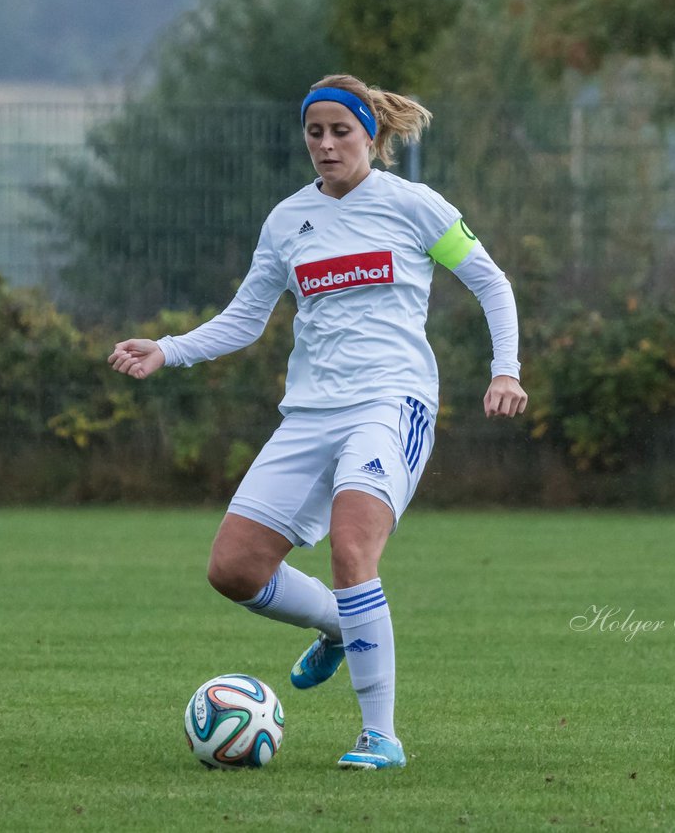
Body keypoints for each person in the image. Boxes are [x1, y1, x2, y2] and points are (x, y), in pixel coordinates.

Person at [109, 73, 527, 770]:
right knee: (233, 569)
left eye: (341, 131)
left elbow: (490, 281)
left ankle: (380, 736)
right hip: (308, 414)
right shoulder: (287, 221)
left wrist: (504, 369)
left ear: (371, 134)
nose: (327, 144)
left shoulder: (412, 206)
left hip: (391, 403)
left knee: (351, 549)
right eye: (315, 132)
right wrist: (168, 350)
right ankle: (339, 625)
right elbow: (247, 317)